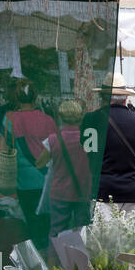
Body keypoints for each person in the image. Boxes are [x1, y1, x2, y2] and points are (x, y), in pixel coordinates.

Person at [92, 75, 135, 221]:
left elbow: (89, 156)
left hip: (104, 189)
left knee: (104, 240)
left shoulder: (92, 119)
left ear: (102, 97)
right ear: (126, 98)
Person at [4, 80, 56, 246]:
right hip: (47, 178)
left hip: (24, 180)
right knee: (49, 224)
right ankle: (52, 263)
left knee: (32, 223)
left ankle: (37, 263)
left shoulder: (10, 120)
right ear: (36, 98)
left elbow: (6, 147)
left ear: (17, 98)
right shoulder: (48, 120)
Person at [37, 98, 93, 236]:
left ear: (60, 117)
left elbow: (39, 163)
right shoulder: (89, 138)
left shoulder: (53, 139)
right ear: (80, 117)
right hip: (83, 191)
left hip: (60, 192)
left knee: (57, 231)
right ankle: (80, 257)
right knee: (82, 232)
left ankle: (55, 257)